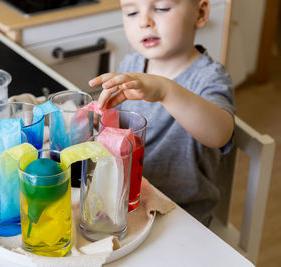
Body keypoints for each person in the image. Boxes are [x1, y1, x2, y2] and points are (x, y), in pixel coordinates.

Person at [89, 0, 235, 226]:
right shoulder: (131, 64)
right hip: (127, 200)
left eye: (162, 8)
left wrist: (166, 91)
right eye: (132, 12)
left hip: (181, 215)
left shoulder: (208, 78)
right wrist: (97, 120)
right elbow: (114, 126)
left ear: (201, 12)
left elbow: (220, 134)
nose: (144, 21)